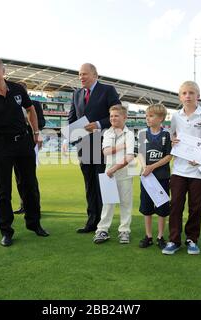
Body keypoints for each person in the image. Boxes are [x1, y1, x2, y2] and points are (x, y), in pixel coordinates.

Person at [0, 57, 49, 248]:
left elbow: (31, 109)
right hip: (2, 145)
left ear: (3, 71)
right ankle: (6, 231)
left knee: (29, 185)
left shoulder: (17, 89)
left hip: (23, 142)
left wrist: (36, 132)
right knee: (3, 190)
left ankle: (34, 223)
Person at [68, 63, 121, 234]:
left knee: (104, 184)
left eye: (84, 74)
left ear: (95, 75)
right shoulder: (76, 94)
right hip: (83, 145)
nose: (81, 77)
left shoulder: (108, 90)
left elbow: (117, 113)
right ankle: (92, 221)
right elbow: (72, 119)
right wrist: (71, 137)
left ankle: (104, 223)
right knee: (90, 185)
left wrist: (98, 124)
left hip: (103, 143)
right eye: (79, 74)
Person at [162, 81, 201, 255]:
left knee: (195, 207)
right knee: (175, 205)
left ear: (198, 96)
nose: (188, 96)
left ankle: (192, 239)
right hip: (178, 169)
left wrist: (200, 156)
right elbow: (172, 137)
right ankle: (174, 240)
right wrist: (173, 141)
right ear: (180, 96)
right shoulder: (176, 116)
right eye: (184, 93)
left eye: (191, 93)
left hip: (199, 169)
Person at [93, 105, 135, 244]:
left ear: (124, 117)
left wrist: (114, 168)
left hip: (124, 174)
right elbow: (105, 152)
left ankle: (124, 231)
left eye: (116, 115)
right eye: (111, 116)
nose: (113, 118)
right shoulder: (107, 133)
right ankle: (102, 230)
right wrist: (122, 147)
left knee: (125, 203)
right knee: (108, 203)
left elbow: (129, 157)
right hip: (109, 174)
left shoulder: (130, 134)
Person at [137, 104, 172, 250]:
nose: (148, 119)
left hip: (162, 177)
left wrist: (153, 167)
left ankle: (160, 236)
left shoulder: (166, 135)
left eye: (151, 116)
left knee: (162, 208)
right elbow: (139, 154)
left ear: (161, 118)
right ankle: (149, 236)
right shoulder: (142, 134)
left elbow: (169, 156)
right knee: (146, 208)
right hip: (146, 178)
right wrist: (145, 167)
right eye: (147, 116)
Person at [13, 82, 46, 215]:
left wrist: (31, 123)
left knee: (30, 177)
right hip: (15, 145)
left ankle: (35, 207)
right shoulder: (11, 103)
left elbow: (42, 122)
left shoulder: (35, 104)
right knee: (18, 177)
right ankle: (23, 205)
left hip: (30, 143)